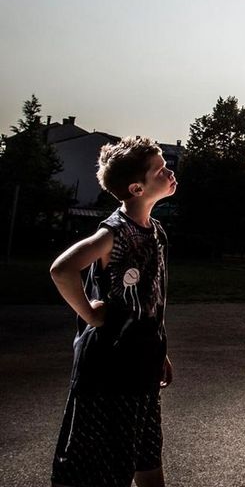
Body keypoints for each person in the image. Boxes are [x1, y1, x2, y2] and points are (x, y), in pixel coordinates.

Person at [50, 136, 176, 487]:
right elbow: (62, 269)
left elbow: (151, 300)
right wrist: (90, 315)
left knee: (147, 455)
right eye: (160, 169)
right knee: (103, 467)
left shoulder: (157, 233)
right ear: (137, 188)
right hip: (109, 370)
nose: (169, 172)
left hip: (142, 363)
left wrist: (160, 350)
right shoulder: (114, 233)